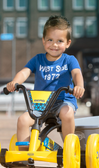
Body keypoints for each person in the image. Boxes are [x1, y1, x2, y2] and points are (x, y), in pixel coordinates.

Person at [7, 15, 85, 150]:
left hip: (63, 101)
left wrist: (79, 86)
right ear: (43, 41)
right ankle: (24, 155)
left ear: (67, 43)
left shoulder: (69, 60)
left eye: (60, 41)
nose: (54, 44)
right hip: (40, 103)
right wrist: (15, 82)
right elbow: (25, 72)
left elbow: (77, 73)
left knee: (67, 114)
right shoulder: (38, 59)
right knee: (23, 120)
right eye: (50, 40)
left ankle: (69, 148)